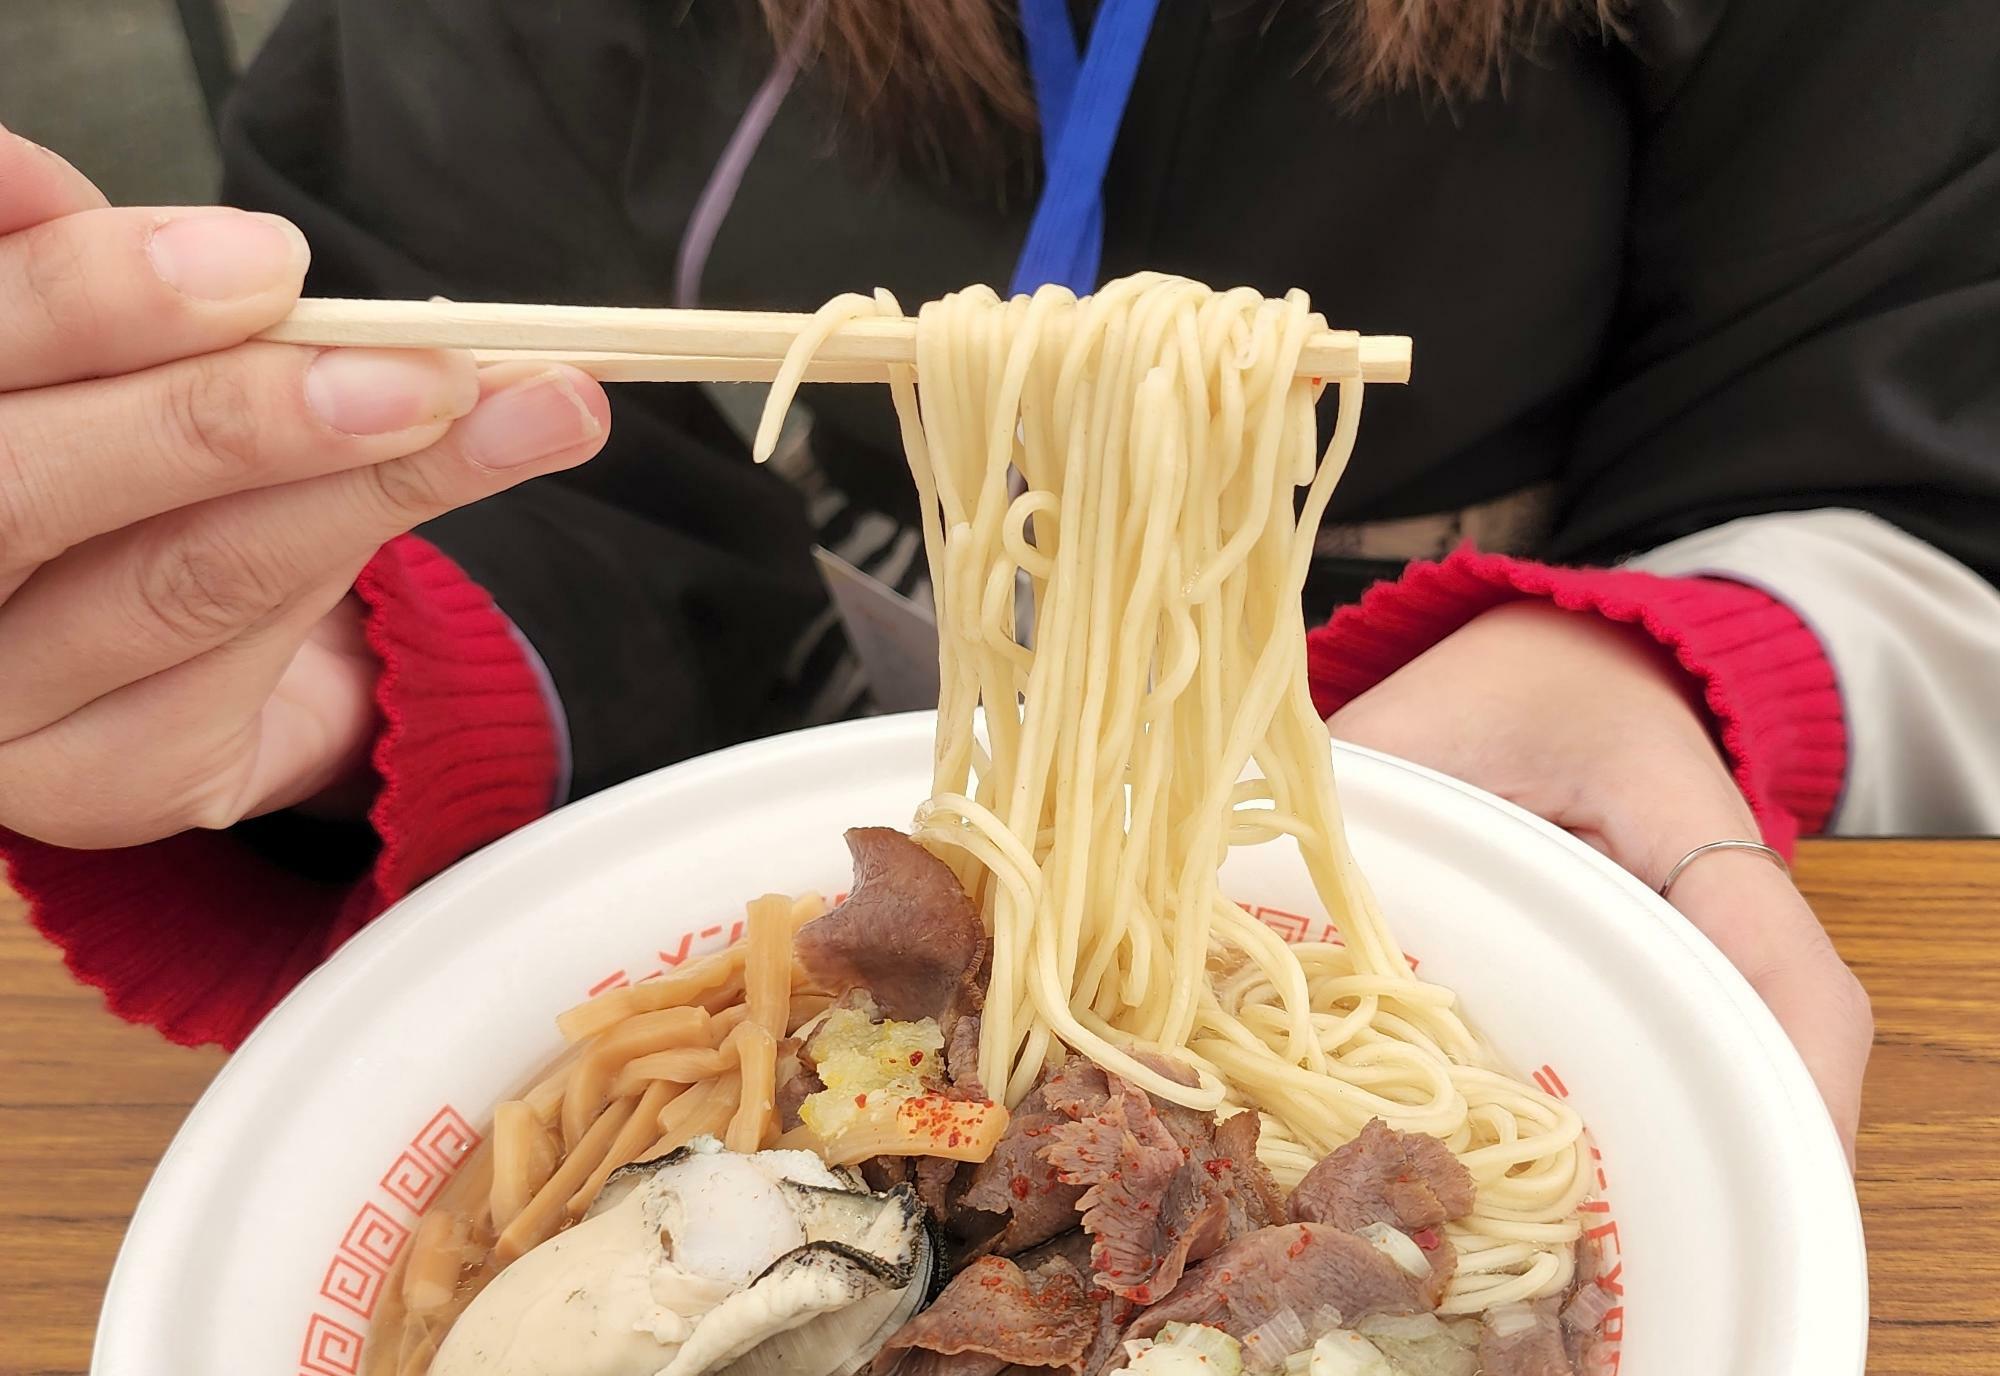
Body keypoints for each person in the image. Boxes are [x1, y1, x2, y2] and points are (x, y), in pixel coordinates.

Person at [6, 0, 1995, 1161]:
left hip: (1472, 969)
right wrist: (301, 638)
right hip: (804, 972)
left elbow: (1913, 452)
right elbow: (451, 407)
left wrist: (1667, 662)